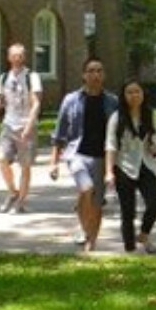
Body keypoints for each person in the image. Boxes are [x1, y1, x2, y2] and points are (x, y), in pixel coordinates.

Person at [49, 56, 118, 252]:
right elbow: (59, 133)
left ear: (103, 75)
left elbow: (120, 133)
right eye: (91, 71)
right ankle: (86, 230)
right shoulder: (71, 100)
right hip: (77, 154)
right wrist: (54, 163)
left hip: (102, 157)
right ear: (83, 75)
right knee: (86, 188)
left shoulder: (112, 102)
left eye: (99, 71)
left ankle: (92, 241)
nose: (95, 75)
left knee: (96, 202)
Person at [105, 79, 156, 253]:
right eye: (129, 92)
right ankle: (129, 249)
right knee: (127, 212)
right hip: (124, 166)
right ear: (124, 95)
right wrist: (109, 172)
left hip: (146, 165)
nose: (134, 95)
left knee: (154, 203)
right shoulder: (117, 117)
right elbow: (111, 145)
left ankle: (144, 234)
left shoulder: (151, 115)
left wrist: (155, 148)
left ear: (143, 94)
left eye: (137, 91)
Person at [0, 43, 42, 213]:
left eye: (20, 55)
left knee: (25, 165)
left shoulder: (32, 76)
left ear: (24, 57)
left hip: (25, 123)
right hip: (8, 123)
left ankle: (21, 201)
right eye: (14, 55)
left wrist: (29, 125)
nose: (17, 59)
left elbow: (36, 102)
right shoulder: (3, 78)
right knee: (1, 158)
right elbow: (1, 103)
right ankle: (13, 191)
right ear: (8, 57)